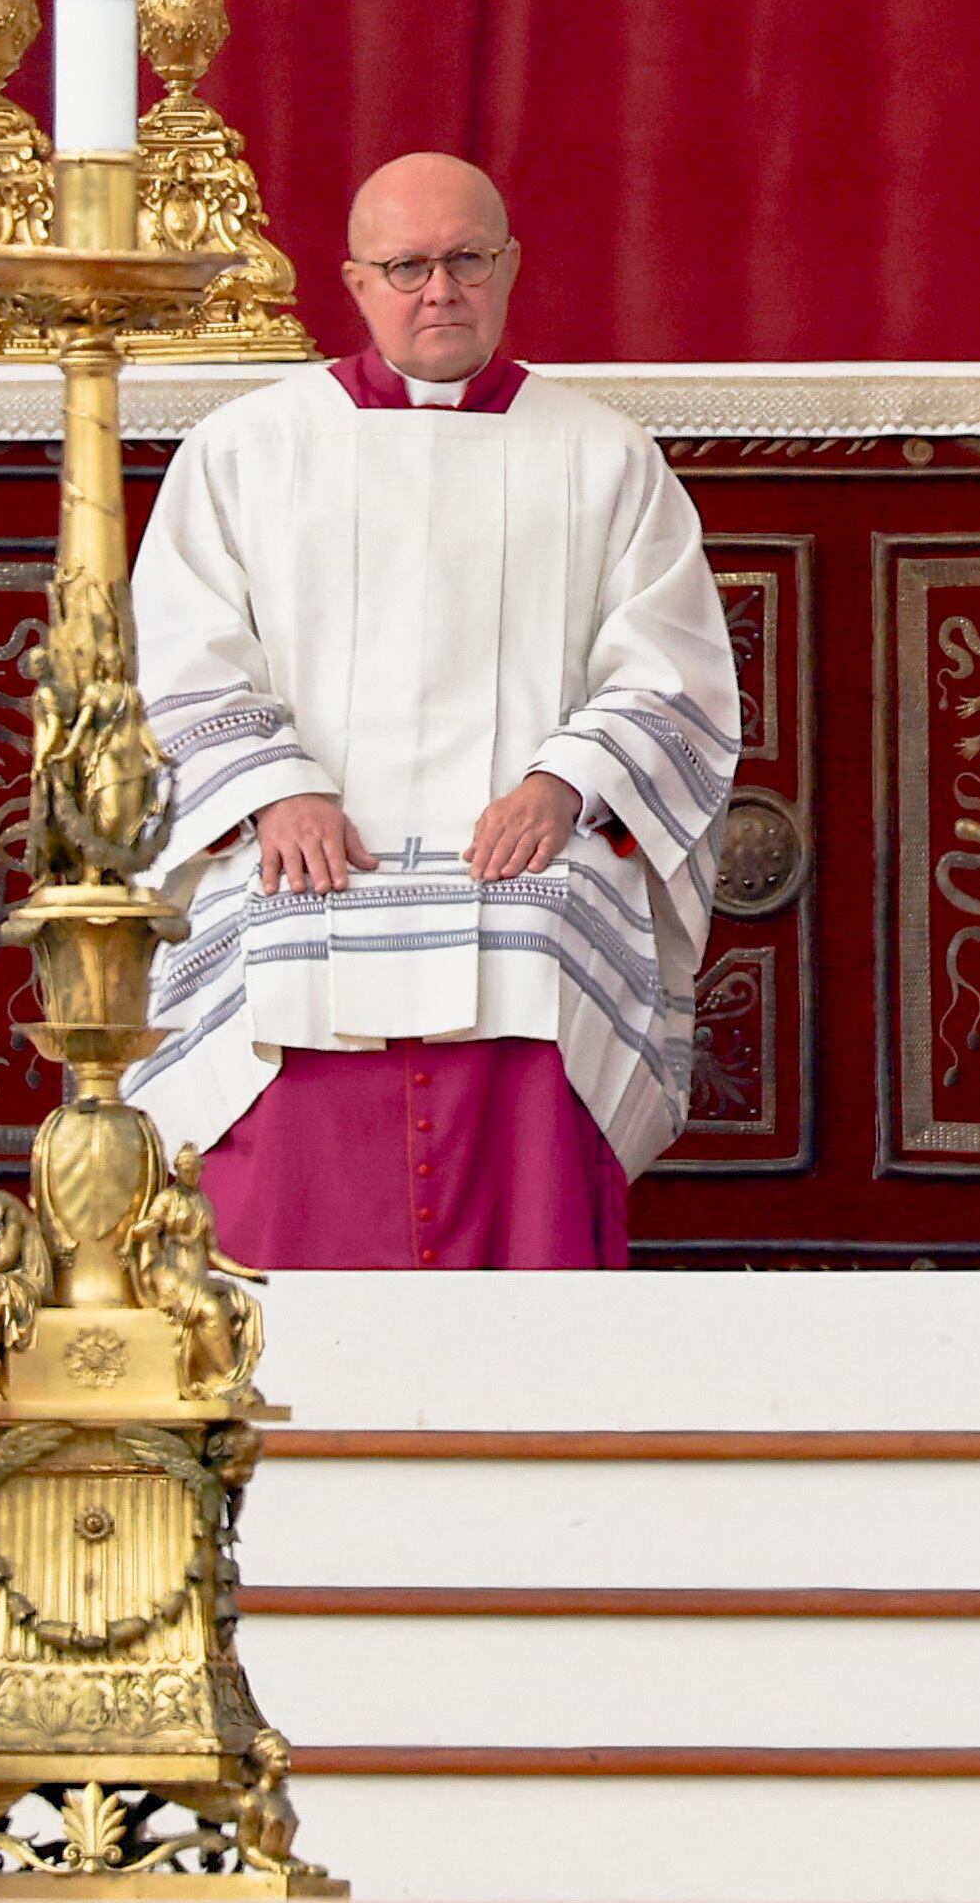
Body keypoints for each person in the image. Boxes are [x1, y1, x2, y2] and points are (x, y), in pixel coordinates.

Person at [127, 153, 738, 1266]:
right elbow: (180, 651)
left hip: (523, 852)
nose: (438, 291)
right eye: (407, 266)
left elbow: (672, 667)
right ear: (355, 282)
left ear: (509, 269)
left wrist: (565, 787)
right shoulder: (247, 449)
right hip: (304, 848)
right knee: (270, 942)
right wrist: (276, 793)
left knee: (545, 931)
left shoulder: (603, 455)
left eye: (465, 261)